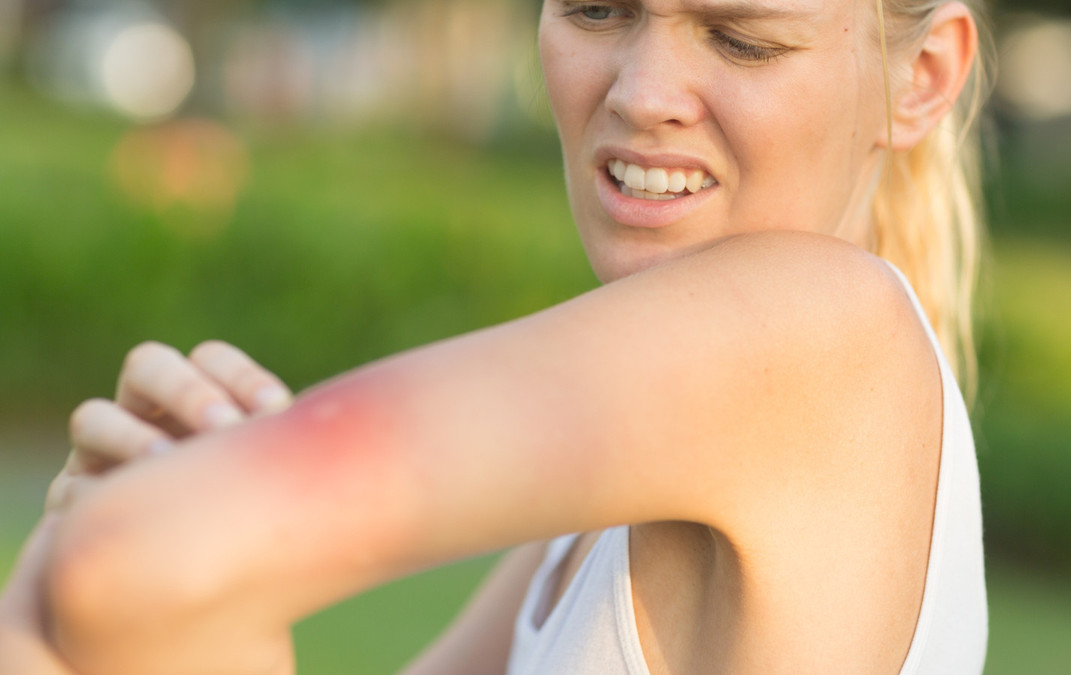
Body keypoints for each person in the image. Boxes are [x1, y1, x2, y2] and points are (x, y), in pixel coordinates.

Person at [0, 0, 990, 672]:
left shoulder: (815, 327)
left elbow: (124, 563)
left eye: (741, 38)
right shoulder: (617, 499)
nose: (643, 93)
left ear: (923, 77)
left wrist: (95, 564)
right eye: (597, 7)